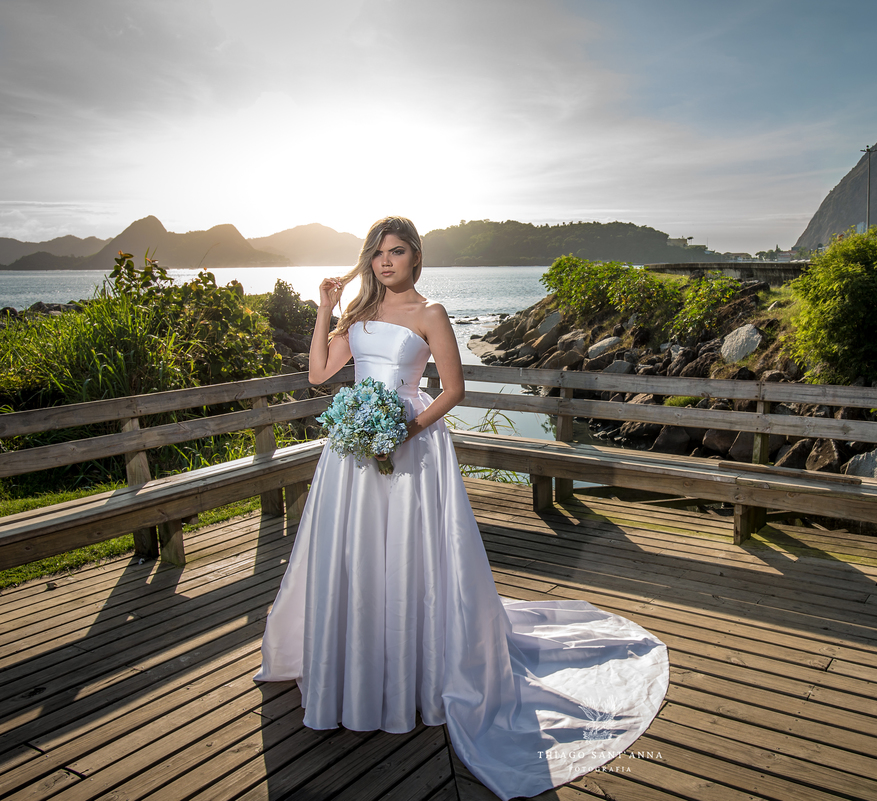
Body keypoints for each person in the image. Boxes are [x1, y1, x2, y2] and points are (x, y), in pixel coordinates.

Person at [254, 217, 669, 799]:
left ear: (415, 257)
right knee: (354, 560)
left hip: (409, 449)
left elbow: (453, 389)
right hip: (351, 454)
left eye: (395, 252)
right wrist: (325, 306)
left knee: (408, 561)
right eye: (376, 253)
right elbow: (321, 374)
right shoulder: (359, 315)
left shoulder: (432, 315)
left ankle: (415, 672)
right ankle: (352, 667)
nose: (384, 262)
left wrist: (406, 428)